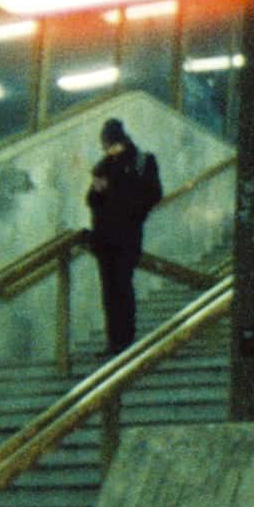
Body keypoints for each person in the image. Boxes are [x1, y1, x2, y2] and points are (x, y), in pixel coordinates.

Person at [84, 119, 163, 353]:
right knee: (110, 290)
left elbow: (154, 194)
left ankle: (124, 340)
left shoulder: (142, 161)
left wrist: (130, 210)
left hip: (125, 235)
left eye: (109, 143)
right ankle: (114, 340)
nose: (107, 148)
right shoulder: (103, 166)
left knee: (121, 285)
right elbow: (91, 200)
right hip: (106, 237)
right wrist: (98, 190)